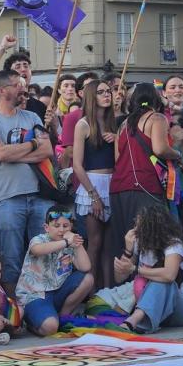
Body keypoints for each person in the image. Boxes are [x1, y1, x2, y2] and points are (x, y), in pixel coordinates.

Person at [0, 69, 55, 290]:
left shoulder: (32, 117)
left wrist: (14, 154)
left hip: (40, 195)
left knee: (43, 258)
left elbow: (47, 150)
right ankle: (13, 307)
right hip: (7, 199)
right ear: (2, 91)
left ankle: (39, 304)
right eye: (17, 84)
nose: (23, 87)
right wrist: (33, 144)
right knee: (11, 259)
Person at [109, 84, 179, 259]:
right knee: (150, 240)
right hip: (145, 185)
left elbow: (117, 159)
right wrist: (177, 154)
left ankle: (126, 276)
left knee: (125, 242)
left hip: (119, 187)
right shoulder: (157, 118)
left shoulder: (123, 124)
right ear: (155, 99)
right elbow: (160, 149)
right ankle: (147, 276)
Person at [113, 205, 183, 333]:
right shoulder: (140, 244)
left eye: (140, 225)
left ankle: (133, 320)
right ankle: (138, 320)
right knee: (158, 280)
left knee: (163, 281)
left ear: (152, 227)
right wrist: (128, 251)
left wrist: (135, 269)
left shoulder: (173, 244)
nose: (136, 228)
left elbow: (169, 275)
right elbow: (119, 278)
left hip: (178, 310)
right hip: (152, 306)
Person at [16, 207, 93, 336]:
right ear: (46, 227)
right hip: (35, 296)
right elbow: (37, 250)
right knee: (50, 328)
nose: (61, 230)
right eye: (56, 226)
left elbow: (85, 267)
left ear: (71, 227)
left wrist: (77, 244)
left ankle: (63, 317)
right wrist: (66, 242)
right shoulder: (39, 239)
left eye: (65, 226)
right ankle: (32, 323)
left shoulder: (70, 243)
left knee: (88, 278)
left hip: (58, 291)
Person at [72, 81, 116, 288]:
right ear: (91, 96)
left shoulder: (114, 122)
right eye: (101, 92)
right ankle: (89, 293)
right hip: (93, 184)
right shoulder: (83, 124)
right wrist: (93, 195)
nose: (107, 95)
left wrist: (117, 139)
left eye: (108, 91)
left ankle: (107, 291)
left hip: (113, 183)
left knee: (110, 245)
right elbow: (77, 165)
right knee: (95, 243)